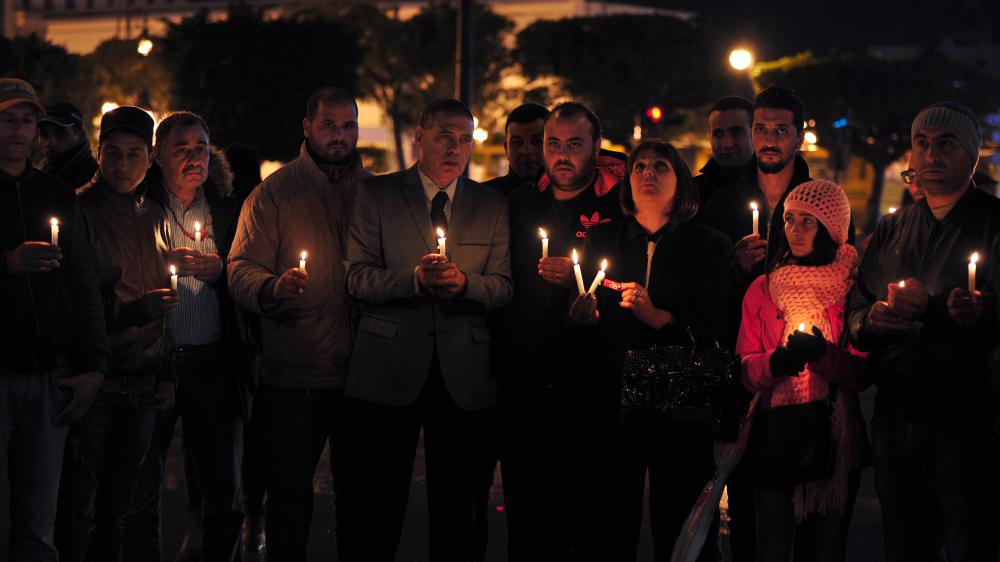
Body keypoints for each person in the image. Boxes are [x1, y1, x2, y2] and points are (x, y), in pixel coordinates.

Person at [340, 98, 512, 562]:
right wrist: (413, 280)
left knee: (458, 507)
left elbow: (502, 287)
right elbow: (357, 277)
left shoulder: (491, 204)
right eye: (444, 137)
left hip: (463, 370)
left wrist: (465, 284)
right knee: (378, 502)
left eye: (464, 140)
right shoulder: (376, 195)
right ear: (419, 136)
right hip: (388, 364)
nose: (456, 149)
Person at [848, 101, 1000, 562]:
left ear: (971, 156)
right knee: (904, 542)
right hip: (895, 414)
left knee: (966, 540)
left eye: (946, 144)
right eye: (922, 143)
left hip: (966, 418)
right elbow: (857, 307)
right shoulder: (893, 228)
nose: (931, 155)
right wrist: (869, 323)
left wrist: (952, 312)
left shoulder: (993, 223)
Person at [569, 139, 735, 561]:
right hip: (612, 395)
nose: (647, 172)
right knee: (609, 522)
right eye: (640, 165)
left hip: (682, 396)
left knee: (679, 524)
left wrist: (657, 317)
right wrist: (583, 318)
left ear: (680, 183)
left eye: (661, 166)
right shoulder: (603, 238)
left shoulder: (709, 245)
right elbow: (585, 325)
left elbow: (716, 326)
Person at [228, 86, 370, 561]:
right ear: (307, 127)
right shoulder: (274, 194)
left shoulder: (376, 191)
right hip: (295, 371)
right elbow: (240, 267)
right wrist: (271, 288)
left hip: (363, 373)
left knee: (361, 497)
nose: (339, 135)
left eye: (348, 125)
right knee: (288, 495)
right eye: (329, 125)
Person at [497, 101, 623, 559]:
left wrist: (585, 282)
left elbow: (630, 277)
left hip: (591, 385)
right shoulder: (519, 203)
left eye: (575, 144)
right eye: (554, 144)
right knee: (528, 517)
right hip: (526, 382)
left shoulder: (617, 206)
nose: (562, 155)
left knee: (588, 517)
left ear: (595, 146)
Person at [125, 111, 248, 562]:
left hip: (212, 362)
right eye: (182, 149)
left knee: (223, 487)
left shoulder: (228, 210)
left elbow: (249, 274)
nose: (194, 157)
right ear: (158, 157)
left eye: (200, 147)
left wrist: (223, 273)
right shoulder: (140, 211)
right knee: (142, 485)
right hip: (155, 363)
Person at [0, 77, 109, 561]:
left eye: (28, 121)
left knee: (38, 529)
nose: (20, 131)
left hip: (49, 379)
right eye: (7, 118)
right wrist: (6, 265)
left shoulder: (55, 194)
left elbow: (82, 285)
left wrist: (94, 368)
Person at [736, 179, 869, 561]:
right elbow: (744, 370)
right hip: (776, 438)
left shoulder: (852, 289)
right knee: (772, 549)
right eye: (790, 220)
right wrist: (777, 362)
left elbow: (862, 373)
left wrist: (820, 355)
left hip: (834, 443)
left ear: (832, 229)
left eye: (808, 222)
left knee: (825, 550)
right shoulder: (763, 288)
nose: (794, 230)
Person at [695, 96, 754, 208]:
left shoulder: (775, 188)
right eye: (718, 134)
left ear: (755, 133)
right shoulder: (694, 192)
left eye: (736, 132)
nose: (727, 144)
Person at [483, 102, 549, 196]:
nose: (527, 151)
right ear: (506, 149)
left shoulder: (572, 198)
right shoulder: (484, 197)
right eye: (517, 142)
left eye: (537, 141)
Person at [38, 101, 99, 189]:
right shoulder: (45, 171)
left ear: (80, 135)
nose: (51, 142)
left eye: (60, 134)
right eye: (44, 135)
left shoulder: (92, 179)